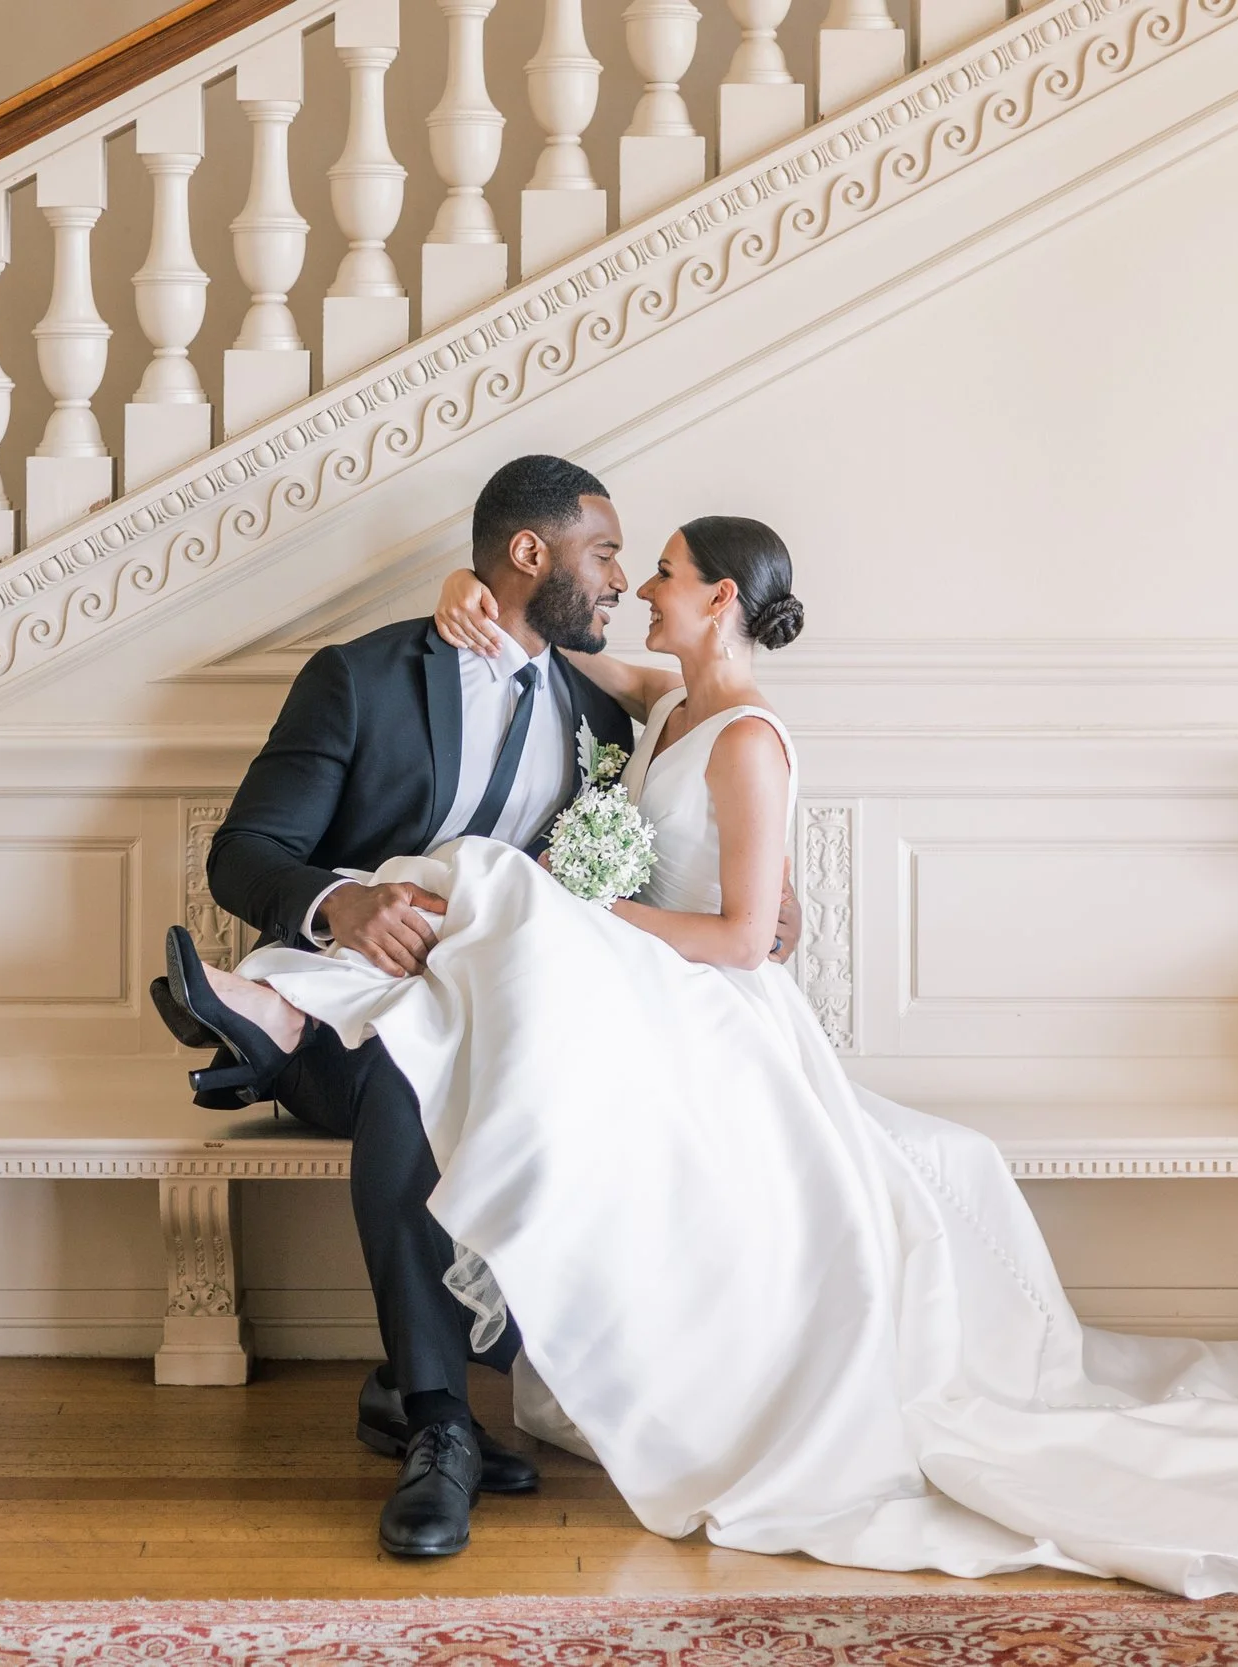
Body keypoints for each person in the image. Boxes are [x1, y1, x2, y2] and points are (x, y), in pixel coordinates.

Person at [159, 506, 1238, 1595]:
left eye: (658, 573)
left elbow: (743, 937)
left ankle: (289, 1011)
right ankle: (308, 1032)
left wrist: (587, 914)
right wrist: (466, 596)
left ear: (713, 593)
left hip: (710, 1001)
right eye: (625, 567)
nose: (639, 591)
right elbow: (556, 669)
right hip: (644, 991)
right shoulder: (670, 704)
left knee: (491, 886)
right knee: (484, 916)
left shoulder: (748, 742)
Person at [152, 455, 801, 1559]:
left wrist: (773, 889)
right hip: (368, 1019)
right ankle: (443, 1429)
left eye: (644, 567)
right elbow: (242, 856)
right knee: (420, 1061)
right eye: (606, 555)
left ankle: (414, 1388)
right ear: (529, 555)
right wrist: (343, 902)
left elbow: (696, 793)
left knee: (484, 1061)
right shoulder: (360, 677)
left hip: (516, 1011)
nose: (624, 583)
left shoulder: (602, 708)